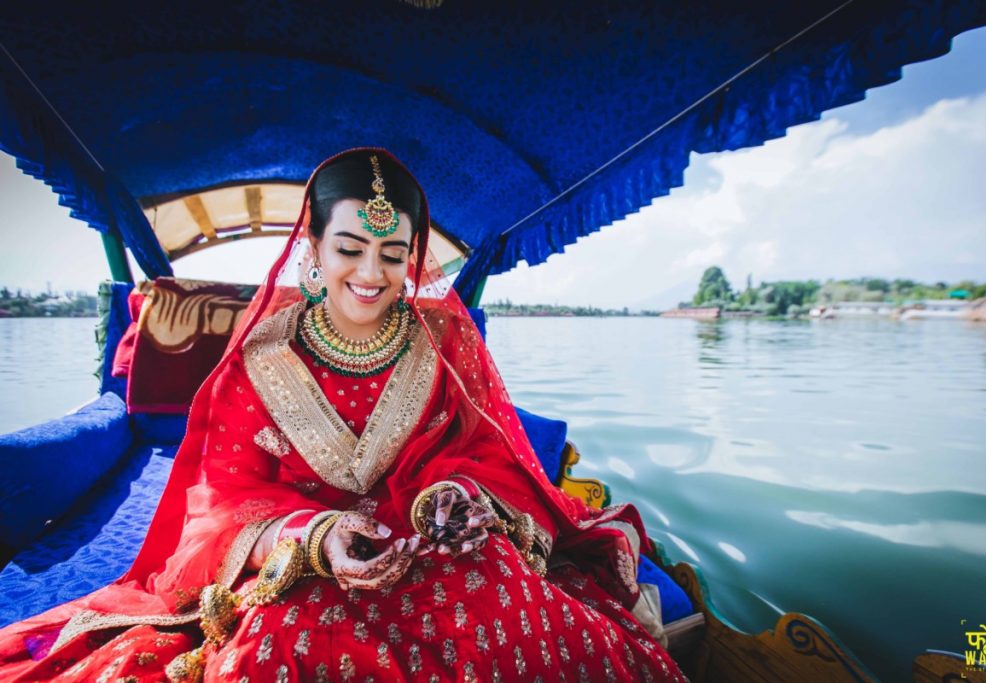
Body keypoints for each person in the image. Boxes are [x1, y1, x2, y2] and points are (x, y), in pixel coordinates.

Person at [0, 148, 688, 682]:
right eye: (350, 249)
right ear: (314, 252)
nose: (372, 273)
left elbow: (485, 450)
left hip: (428, 553)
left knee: (505, 590)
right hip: (306, 566)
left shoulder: (443, 344)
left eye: (393, 254)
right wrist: (316, 533)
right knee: (271, 650)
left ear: (412, 259)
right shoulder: (259, 360)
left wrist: (457, 495)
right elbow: (222, 497)